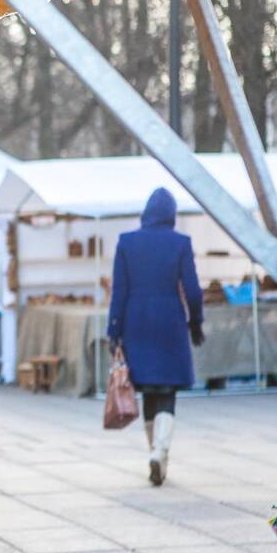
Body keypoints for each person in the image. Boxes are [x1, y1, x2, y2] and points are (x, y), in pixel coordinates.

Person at [107, 187, 204, 487]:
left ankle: (154, 452)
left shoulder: (127, 242)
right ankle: (160, 450)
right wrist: (195, 323)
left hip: (136, 323)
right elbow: (193, 290)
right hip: (170, 323)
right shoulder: (180, 243)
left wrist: (114, 330)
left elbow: (118, 292)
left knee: (148, 388)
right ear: (171, 215)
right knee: (167, 390)